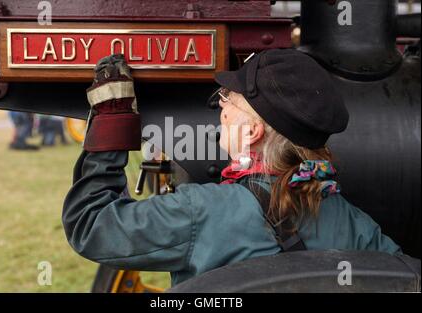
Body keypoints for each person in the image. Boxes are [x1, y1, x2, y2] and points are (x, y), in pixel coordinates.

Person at [62, 51, 402, 287]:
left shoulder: (201, 211)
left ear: (252, 132)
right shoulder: (355, 224)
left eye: (228, 99)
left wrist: (113, 119)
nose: (221, 107)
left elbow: (91, 226)